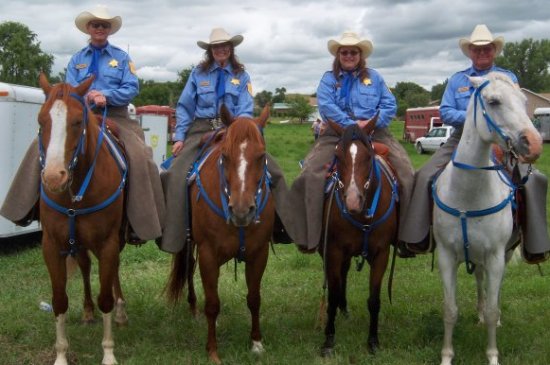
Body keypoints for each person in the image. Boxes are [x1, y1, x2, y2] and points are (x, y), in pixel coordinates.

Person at [0, 5, 165, 244]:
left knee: (141, 155)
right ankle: (23, 209)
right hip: (81, 114)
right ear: (89, 28)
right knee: (40, 144)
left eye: (104, 25)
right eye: (95, 24)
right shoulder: (77, 58)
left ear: (109, 30)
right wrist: (82, 98)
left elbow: (131, 87)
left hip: (115, 114)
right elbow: (69, 89)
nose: (99, 28)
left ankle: (142, 222)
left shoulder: (122, 58)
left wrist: (105, 95)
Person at [398, 24, 550, 263]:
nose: (482, 53)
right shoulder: (458, 80)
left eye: (487, 49)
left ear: (494, 51)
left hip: (501, 140)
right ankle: (417, 237)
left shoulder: (507, 78)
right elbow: (446, 111)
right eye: (477, 49)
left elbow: (517, 109)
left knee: (533, 180)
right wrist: (472, 121)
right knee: (424, 175)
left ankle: (534, 243)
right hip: (461, 138)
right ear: (470, 52)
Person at [158, 28, 293, 253]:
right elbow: (184, 107)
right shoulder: (197, 74)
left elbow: (246, 107)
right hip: (201, 129)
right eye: (216, 46)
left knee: (275, 172)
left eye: (225, 46)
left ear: (231, 49)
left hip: (235, 129)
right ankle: (175, 235)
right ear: (210, 51)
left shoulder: (242, 76)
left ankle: (281, 228)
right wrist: (179, 137)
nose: (221, 49)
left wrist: (235, 129)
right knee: (174, 175)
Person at [287, 31, 414, 251]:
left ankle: (405, 237)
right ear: (338, 55)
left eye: (353, 52)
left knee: (406, 173)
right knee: (309, 174)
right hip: (336, 134)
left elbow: (389, 105)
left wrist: (370, 124)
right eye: (344, 52)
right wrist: (352, 126)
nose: (348, 55)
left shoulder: (375, 78)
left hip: (376, 133)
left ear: (360, 54)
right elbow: (326, 106)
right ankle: (312, 236)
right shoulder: (328, 79)